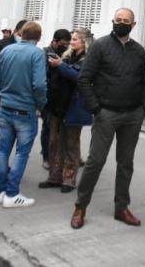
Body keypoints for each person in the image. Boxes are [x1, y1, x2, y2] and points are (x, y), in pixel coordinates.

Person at [70, 9, 145, 229]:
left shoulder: (138, 50)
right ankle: (80, 207)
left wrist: (143, 107)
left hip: (133, 114)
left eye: (126, 21)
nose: (122, 23)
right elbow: (84, 79)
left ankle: (121, 207)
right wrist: (96, 109)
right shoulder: (100, 46)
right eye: (118, 20)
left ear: (133, 24)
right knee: (95, 161)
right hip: (107, 113)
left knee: (125, 164)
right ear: (112, 21)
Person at [0, 21, 47, 208]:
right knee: (22, 152)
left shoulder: (6, 51)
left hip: (5, 106)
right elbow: (40, 84)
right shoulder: (37, 54)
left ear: (21, 34)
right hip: (25, 109)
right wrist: (40, 104)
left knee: (2, 149)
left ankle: (1, 191)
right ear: (39, 37)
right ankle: (12, 193)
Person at [40, 28, 92, 193]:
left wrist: (61, 66)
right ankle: (54, 177)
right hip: (58, 105)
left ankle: (69, 180)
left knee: (71, 144)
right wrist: (55, 66)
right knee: (54, 143)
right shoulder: (67, 56)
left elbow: (80, 78)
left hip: (74, 106)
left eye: (75, 39)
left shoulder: (88, 59)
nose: (71, 42)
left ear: (84, 42)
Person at [0, 19, 26, 156]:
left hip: (21, 98)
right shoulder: (1, 45)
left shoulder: (31, 49)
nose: (23, 38)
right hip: (3, 95)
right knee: (1, 135)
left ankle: (4, 163)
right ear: (15, 32)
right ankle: (0, 165)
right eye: (20, 35)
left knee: (16, 136)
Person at [41, 29, 72, 171]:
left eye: (67, 44)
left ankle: (62, 155)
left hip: (63, 95)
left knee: (63, 127)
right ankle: (46, 156)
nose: (65, 46)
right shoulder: (45, 53)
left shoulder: (67, 54)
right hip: (49, 95)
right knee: (47, 127)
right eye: (62, 44)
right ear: (54, 41)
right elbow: (41, 75)